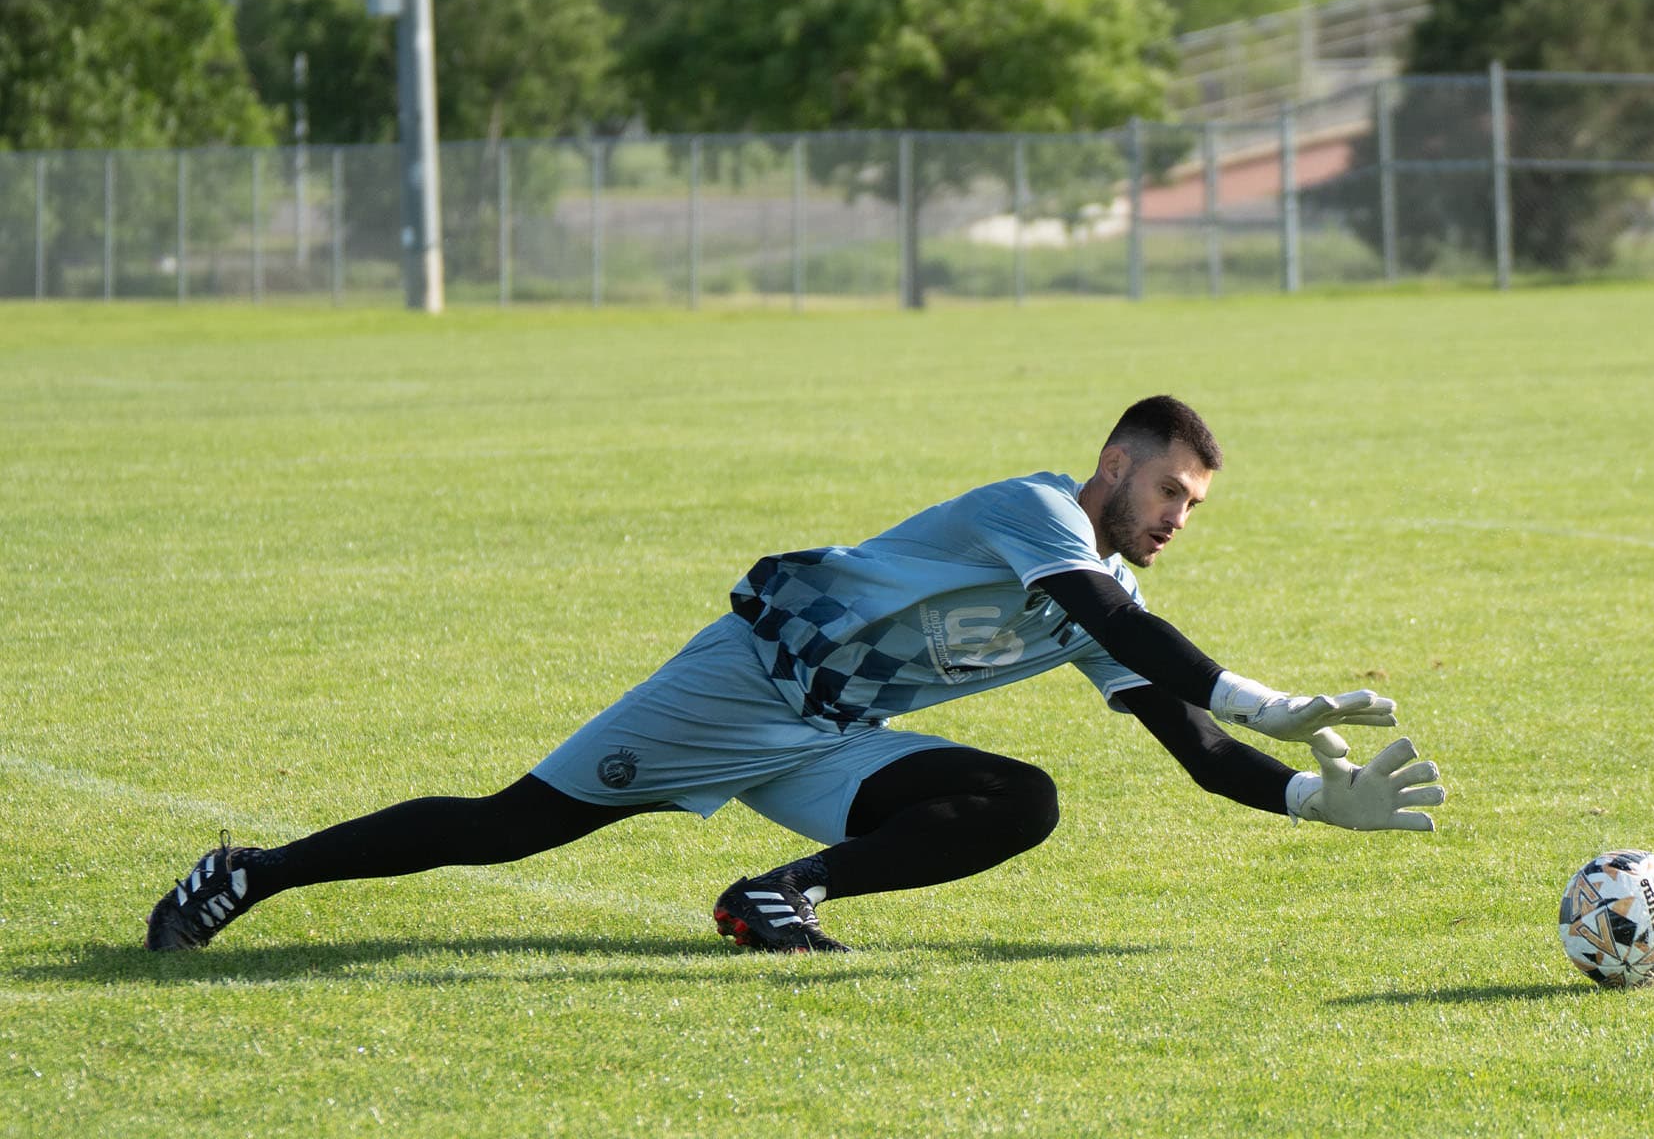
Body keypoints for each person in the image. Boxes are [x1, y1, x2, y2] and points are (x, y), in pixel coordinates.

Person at [146, 395, 1444, 955]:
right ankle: (247, 874)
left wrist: (1308, 798)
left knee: (1022, 800)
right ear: (1115, 463)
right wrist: (1264, 699)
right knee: (508, 829)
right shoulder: (1040, 513)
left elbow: (1191, 745)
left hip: (834, 738)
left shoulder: (1106, 598)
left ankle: (780, 897)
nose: (1175, 518)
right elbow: (1123, 623)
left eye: (1193, 507)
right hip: (742, 686)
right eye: (1169, 491)